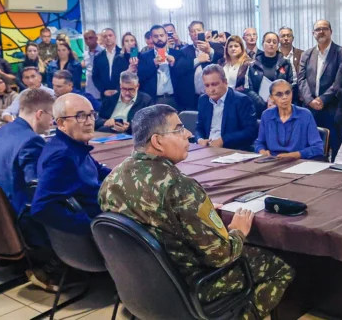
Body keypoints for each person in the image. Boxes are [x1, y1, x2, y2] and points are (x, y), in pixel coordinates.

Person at [99, 104, 294, 320]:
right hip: (190, 284)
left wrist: (200, 211)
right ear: (157, 141)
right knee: (280, 268)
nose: (189, 134)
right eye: (179, 129)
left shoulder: (112, 179)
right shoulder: (179, 186)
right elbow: (222, 256)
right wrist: (238, 231)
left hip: (141, 283)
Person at [28, 93, 109, 236]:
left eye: (91, 115)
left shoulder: (71, 145)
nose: (89, 122)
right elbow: (42, 208)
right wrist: (92, 228)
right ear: (61, 124)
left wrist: (125, 177)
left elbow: (98, 170)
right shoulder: (63, 157)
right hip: (100, 229)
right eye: (80, 116)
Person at [0, 89, 55, 212]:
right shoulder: (32, 141)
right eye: (51, 116)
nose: (52, 122)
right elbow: (36, 187)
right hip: (18, 214)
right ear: (39, 114)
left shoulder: (1, 131)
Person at [299, 20, 342, 139]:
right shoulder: (306, 54)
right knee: (311, 144)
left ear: (331, 32)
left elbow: (339, 81)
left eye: (324, 29)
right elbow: (301, 80)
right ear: (313, 33)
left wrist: (323, 99)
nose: (321, 32)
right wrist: (310, 100)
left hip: (332, 107)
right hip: (310, 108)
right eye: (318, 29)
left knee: (335, 145)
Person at [255, 79, 324, 159]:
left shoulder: (305, 115)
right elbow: (259, 143)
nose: (285, 97)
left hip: (298, 162)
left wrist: (294, 155)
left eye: (287, 93)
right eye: (279, 94)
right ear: (271, 98)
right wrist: (262, 151)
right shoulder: (266, 115)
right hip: (272, 161)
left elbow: (318, 148)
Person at [196, 64, 259, 151]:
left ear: (225, 82)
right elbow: (199, 128)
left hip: (233, 150)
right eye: (207, 85)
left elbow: (251, 131)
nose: (211, 89)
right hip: (207, 149)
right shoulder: (203, 100)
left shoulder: (241, 100)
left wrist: (223, 140)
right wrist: (200, 140)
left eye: (214, 84)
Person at [138, 24, 193, 110]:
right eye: (156, 36)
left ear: (166, 36)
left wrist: (174, 64)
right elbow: (140, 76)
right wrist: (153, 64)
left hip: (175, 99)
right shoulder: (144, 56)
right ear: (151, 38)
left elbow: (185, 74)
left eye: (161, 35)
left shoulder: (178, 54)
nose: (159, 38)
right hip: (153, 100)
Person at [243, 32, 293, 113]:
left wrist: (277, 101)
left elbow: (292, 85)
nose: (271, 44)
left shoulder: (286, 63)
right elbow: (248, 88)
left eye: (274, 42)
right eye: (268, 41)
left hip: (282, 107)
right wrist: (263, 103)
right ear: (263, 44)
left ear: (277, 45)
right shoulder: (254, 64)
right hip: (260, 108)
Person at [182, 20, 224, 97]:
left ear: (203, 31)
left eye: (198, 30)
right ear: (189, 34)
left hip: (214, 93)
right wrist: (198, 60)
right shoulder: (184, 51)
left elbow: (223, 56)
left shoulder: (216, 46)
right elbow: (180, 68)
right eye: (192, 31)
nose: (196, 33)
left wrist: (209, 51)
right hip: (191, 95)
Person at [92, 28, 133, 100]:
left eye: (110, 35)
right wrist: (103, 90)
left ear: (115, 37)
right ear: (102, 39)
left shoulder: (124, 54)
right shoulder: (98, 57)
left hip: (123, 93)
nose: (108, 38)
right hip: (105, 95)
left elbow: (129, 74)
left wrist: (119, 90)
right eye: (105, 36)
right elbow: (95, 76)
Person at [81, 29, 104, 101]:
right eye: (86, 39)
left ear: (96, 38)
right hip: (89, 91)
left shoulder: (104, 52)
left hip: (102, 91)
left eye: (90, 38)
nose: (88, 41)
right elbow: (85, 72)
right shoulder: (85, 54)